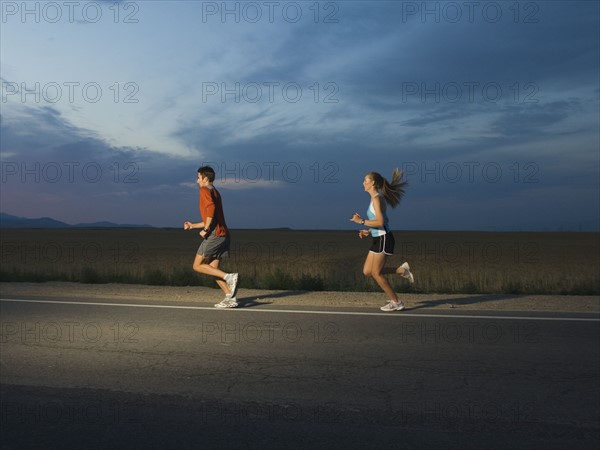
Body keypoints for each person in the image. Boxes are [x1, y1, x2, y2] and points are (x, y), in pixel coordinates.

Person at [350, 168, 414, 312]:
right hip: (377, 237)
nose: (363, 183)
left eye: (365, 180)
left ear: (372, 183)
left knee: (376, 273)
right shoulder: (374, 199)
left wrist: (361, 221)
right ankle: (401, 270)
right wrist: (368, 231)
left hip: (384, 238)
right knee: (367, 271)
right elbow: (382, 221)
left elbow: (380, 221)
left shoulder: (377, 198)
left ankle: (397, 302)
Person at [184, 166, 239, 308]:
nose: (197, 181)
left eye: (198, 177)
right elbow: (211, 216)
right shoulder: (215, 191)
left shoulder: (204, 190)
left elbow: (211, 210)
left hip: (215, 235)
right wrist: (193, 226)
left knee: (197, 266)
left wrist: (206, 229)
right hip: (224, 235)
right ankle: (229, 297)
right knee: (212, 269)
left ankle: (230, 277)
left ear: (205, 178)